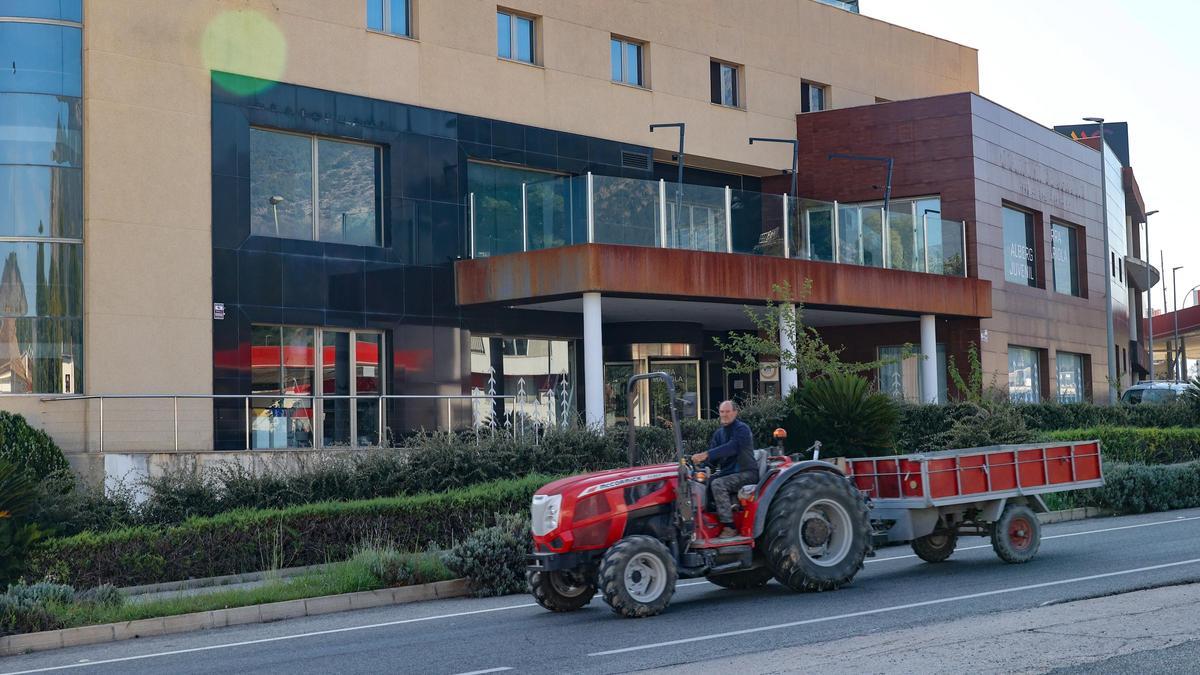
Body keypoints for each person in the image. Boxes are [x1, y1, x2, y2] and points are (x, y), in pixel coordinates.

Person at [690, 400, 757, 539]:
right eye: (722, 412)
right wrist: (699, 468)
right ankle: (709, 520)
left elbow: (732, 448)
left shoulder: (742, 429)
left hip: (746, 473)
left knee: (718, 484)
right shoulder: (719, 434)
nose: (724, 415)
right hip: (728, 474)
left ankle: (730, 526)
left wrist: (706, 454)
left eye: (727, 412)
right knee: (705, 482)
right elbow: (712, 460)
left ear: (735, 412)